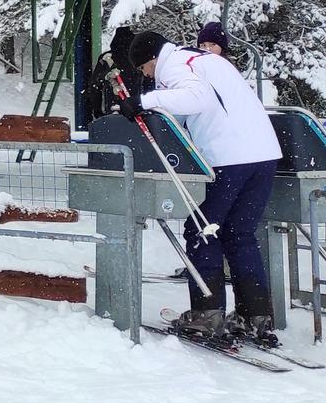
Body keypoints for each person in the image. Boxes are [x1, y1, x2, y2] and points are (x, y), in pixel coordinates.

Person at [123, 30, 281, 344]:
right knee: (238, 233)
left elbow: (197, 98)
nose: (146, 75)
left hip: (229, 156)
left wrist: (143, 101)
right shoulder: (203, 59)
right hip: (264, 154)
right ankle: (255, 315)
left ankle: (207, 315)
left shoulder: (175, 64)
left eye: (143, 68)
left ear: (152, 58)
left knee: (202, 230)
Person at [86, 26, 143, 122]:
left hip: (112, 110)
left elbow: (95, 87)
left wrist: (97, 111)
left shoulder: (106, 59)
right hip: (137, 111)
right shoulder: (138, 58)